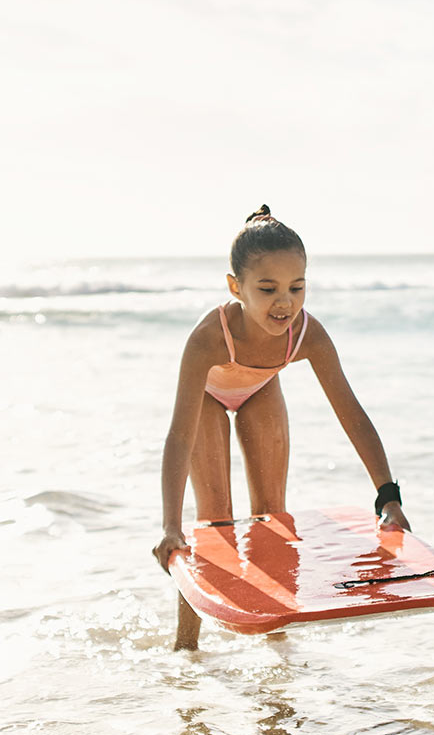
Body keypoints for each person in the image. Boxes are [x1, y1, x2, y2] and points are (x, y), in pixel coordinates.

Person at [151, 206, 411, 650]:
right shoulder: (209, 337)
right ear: (236, 287)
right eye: (267, 289)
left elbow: (351, 414)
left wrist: (388, 497)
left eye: (297, 287)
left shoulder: (307, 334)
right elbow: (179, 435)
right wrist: (169, 526)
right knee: (214, 523)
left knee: (272, 516)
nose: (285, 302)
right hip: (208, 402)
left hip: (260, 391)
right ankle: (187, 647)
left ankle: (277, 643)